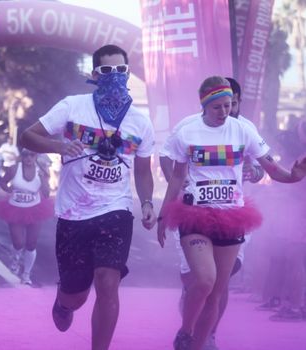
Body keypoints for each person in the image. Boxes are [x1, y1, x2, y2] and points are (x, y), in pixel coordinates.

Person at [21, 44, 156, 350]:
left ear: (128, 73)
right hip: (73, 213)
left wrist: (147, 202)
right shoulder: (72, 106)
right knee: (76, 294)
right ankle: (64, 301)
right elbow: (28, 136)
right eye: (107, 71)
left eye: (121, 70)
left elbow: (144, 171)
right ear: (95, 74)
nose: (115, 76)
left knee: (108, 281)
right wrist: (59, 147)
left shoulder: (140, 122)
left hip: (115, 209)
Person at [156, 76, 306, 350]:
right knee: (204, 280)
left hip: (232, 217)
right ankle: (186, 330)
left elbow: (270, 168)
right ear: (204, 105)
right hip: (195, 215)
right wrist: (163, 214)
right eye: (218, 107)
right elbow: (177, 178)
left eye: (229, 106)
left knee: (215, 293)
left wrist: (294, 176)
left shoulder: (243, 130)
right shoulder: (186, 131)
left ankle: (199, 344)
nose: (225, 112)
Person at [0, 148, 54, 285]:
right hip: (15, 207)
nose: (29, 158)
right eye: (26, 154)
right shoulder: (14, 169)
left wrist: (44, 179)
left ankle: (26, 274)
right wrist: (9, 190)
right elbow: (2, 182)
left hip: (35, 208)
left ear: (36, 156)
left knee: (31, 244)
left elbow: (47, 193)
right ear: (22, 156)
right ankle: (15, 259)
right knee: (18, 243)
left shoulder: (42, 170)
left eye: (32, 154)